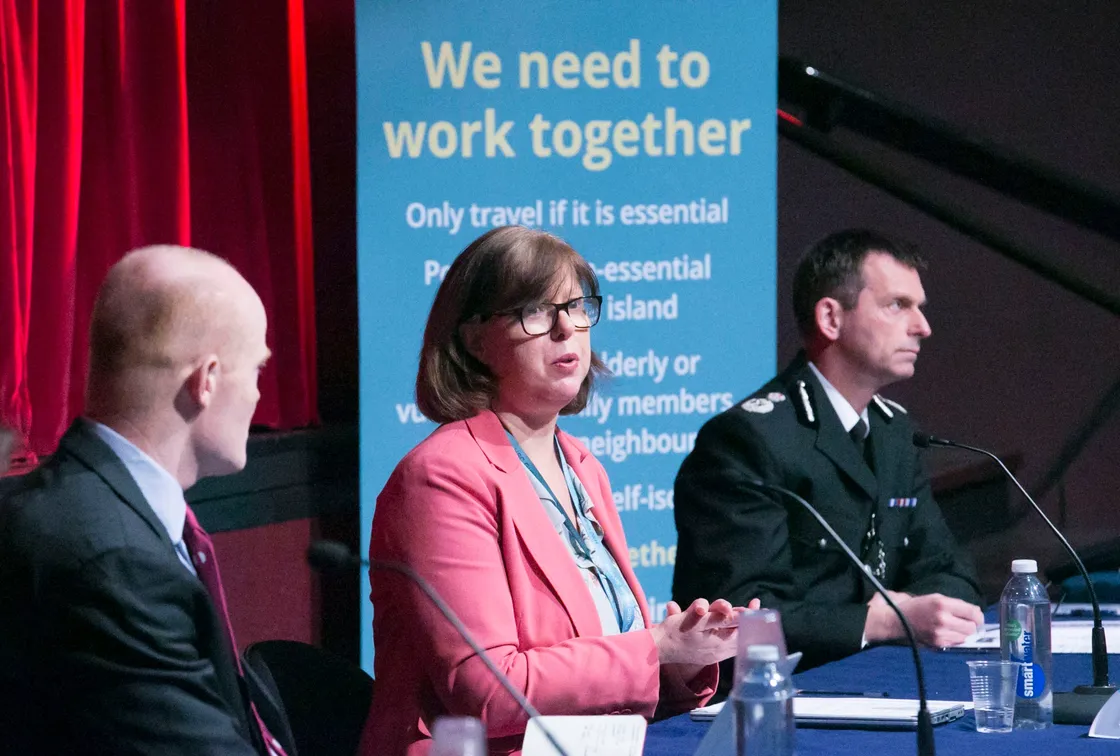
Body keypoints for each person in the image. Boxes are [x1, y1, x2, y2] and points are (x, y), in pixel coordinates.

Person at [361, 226, 754, 756]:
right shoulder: (441, 478)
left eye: (576, 306)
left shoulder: (582, 467)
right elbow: (488, 689)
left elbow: (604, 676)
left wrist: (680, 659)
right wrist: (653, 647)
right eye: (536, 311)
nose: (567, 328)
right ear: (474, 339)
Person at [0, 245, 291, 754]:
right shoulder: (113, 560)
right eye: (257, 372)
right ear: (208, 380)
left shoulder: (90, 509)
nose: (259, 396)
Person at [672, 229, 984, 676]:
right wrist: (878, 621)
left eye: (920, 308)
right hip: (768, 698)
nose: (922, 327)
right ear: (831, 318)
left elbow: (950, 570)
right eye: (898, 305)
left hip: (873, 677)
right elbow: (738, 613)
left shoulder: (895, 433)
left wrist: (918, 609)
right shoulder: (747, 440)